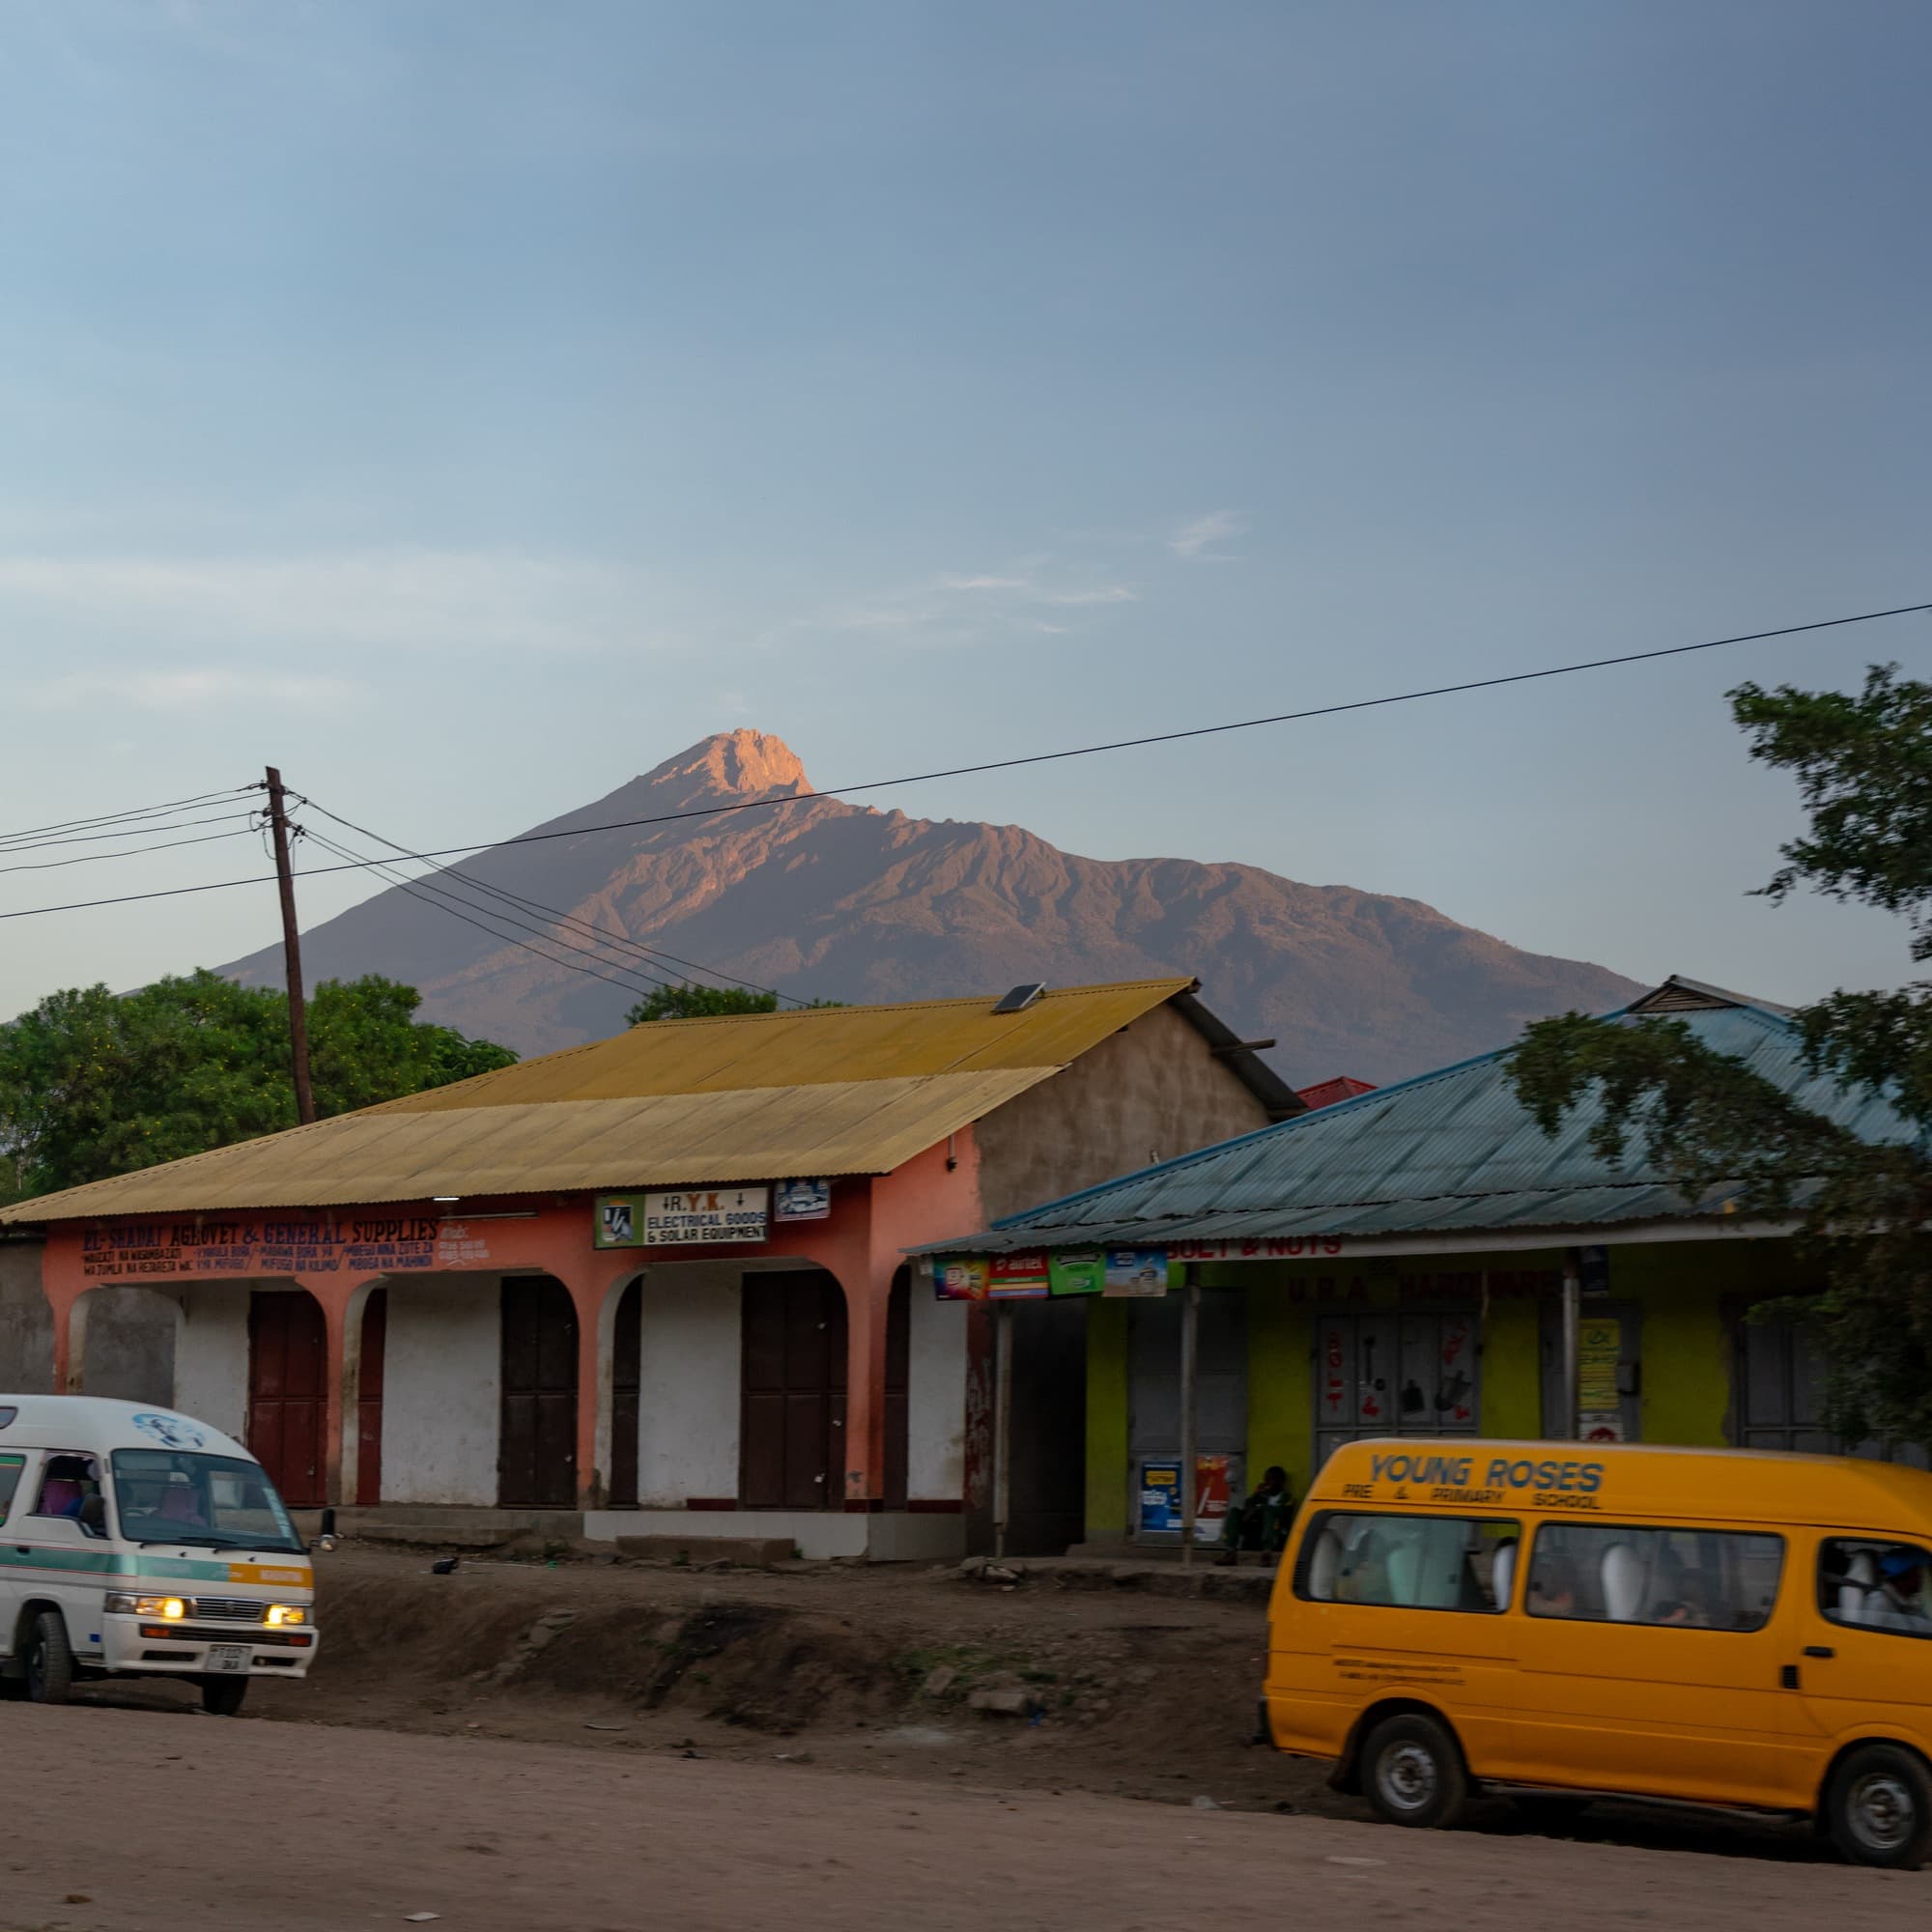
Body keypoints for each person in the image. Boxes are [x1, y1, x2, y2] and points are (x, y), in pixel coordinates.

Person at [1215, 1465, 1294, 1568]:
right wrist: (1256, 1495)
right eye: (1267, 1479)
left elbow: (1284, 1516)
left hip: (1275, 1534)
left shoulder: (1287, 1498)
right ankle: (1230, 1552)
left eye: (1273, 1479)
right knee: (1234, 1511)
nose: (1269, 1482)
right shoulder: (1261, 1495)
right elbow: (1248, 1506)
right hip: (1256, 1529)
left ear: (1281, 1481)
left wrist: (1262, 1508)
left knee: (1269, 1510)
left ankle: (1266, 1554)